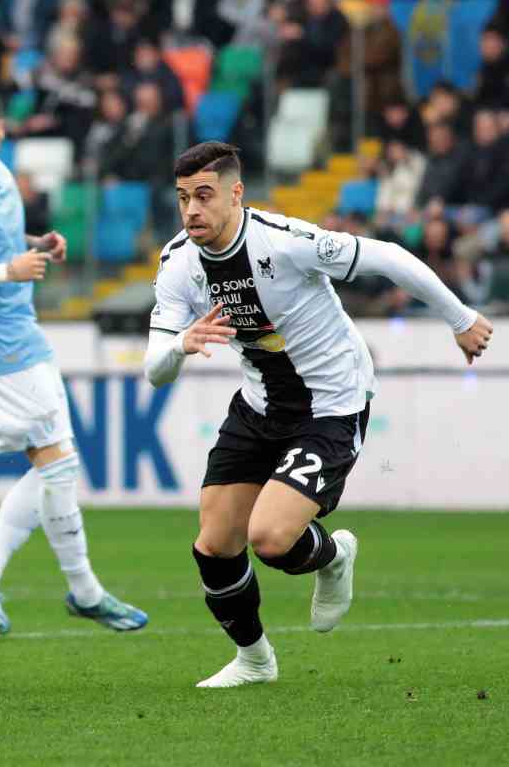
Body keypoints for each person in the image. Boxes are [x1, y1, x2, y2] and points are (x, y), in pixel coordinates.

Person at [146, 141, 493, 688]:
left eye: (204, 196)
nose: (192, 210)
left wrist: (460, 316)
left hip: (331, 405)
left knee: (270, 539)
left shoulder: (284, 241)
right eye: (184, 197)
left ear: (236, 194)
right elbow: (155, 371)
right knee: (214, 544)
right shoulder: (178, 265)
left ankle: (332, 556)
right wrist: (179, 345)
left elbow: (388, 257)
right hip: (259, 405)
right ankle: (255, 660)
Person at [0, 87, 148, 635]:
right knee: (59, 465)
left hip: (22, 332)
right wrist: (4, 273)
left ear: (1, 128)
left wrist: (36, 243)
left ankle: (0, 576)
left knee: (54, 465)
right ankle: (70, 588)